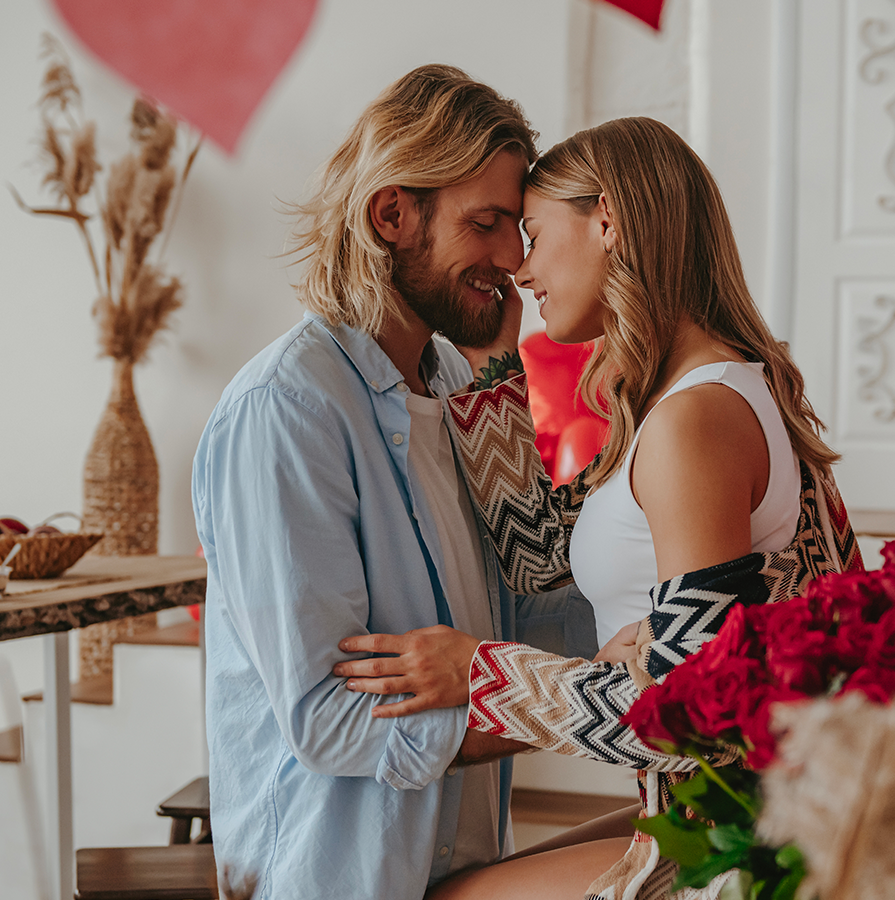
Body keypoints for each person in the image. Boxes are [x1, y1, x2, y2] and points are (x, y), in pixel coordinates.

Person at [334, 117, 864, 900]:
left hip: (747, 835)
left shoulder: (694, 421)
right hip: (711, 814)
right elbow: (538, 557)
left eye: (534, 233)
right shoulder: (695, 397)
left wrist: (477, 674)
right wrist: (491, 367)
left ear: (608, 221)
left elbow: (696, 725)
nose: (518, 265)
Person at [191, 65, 597, 900]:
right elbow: (330, 718)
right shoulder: (288, 412)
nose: (514, 260)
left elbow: (537, 617)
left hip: (463, 861)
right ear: (392, 215)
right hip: (345, 879)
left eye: (516, 229)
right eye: (486, 224)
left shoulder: (456, 381)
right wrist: (578, 706)